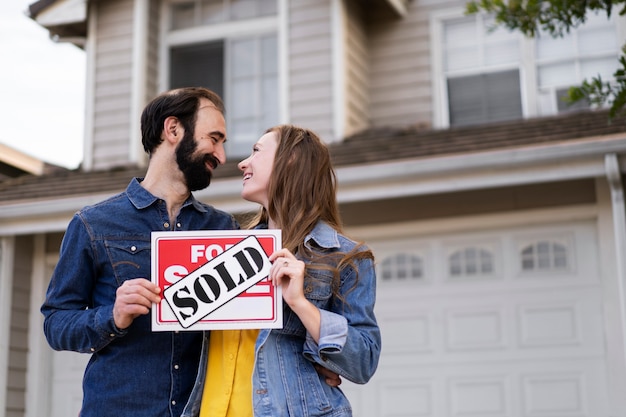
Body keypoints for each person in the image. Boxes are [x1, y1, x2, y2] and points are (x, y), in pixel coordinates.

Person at [40, 87, 238, 417]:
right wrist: (113, 315)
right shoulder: (94, 223)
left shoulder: (223, 228)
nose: (221, 156)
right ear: (173, 130)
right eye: (214, 139)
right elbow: (56, 323)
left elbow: (250, 326)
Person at [183, 124, 381, 416]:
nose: (242, 163)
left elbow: (363, 362)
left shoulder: (344, 258)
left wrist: (301, 305)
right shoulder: (223, 249)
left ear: (289, 161)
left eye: (256, 152)